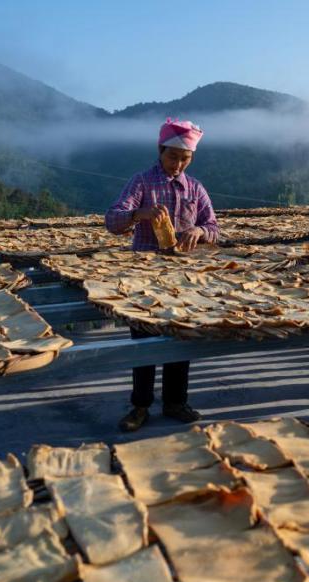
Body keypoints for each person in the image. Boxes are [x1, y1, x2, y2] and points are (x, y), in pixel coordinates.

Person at [105, 118, 220, 431]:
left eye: (185, 159)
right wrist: (139, 214)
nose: (178, 165)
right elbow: (112, 220)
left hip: (183, 278)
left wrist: (198, 231)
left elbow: (213, 227)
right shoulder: (142, 183)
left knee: (179, 336)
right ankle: (140, 405)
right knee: (143, 339)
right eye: (173, 158)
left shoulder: (194, 188)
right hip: (145, 277)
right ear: (160, 151)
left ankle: (175, 401)